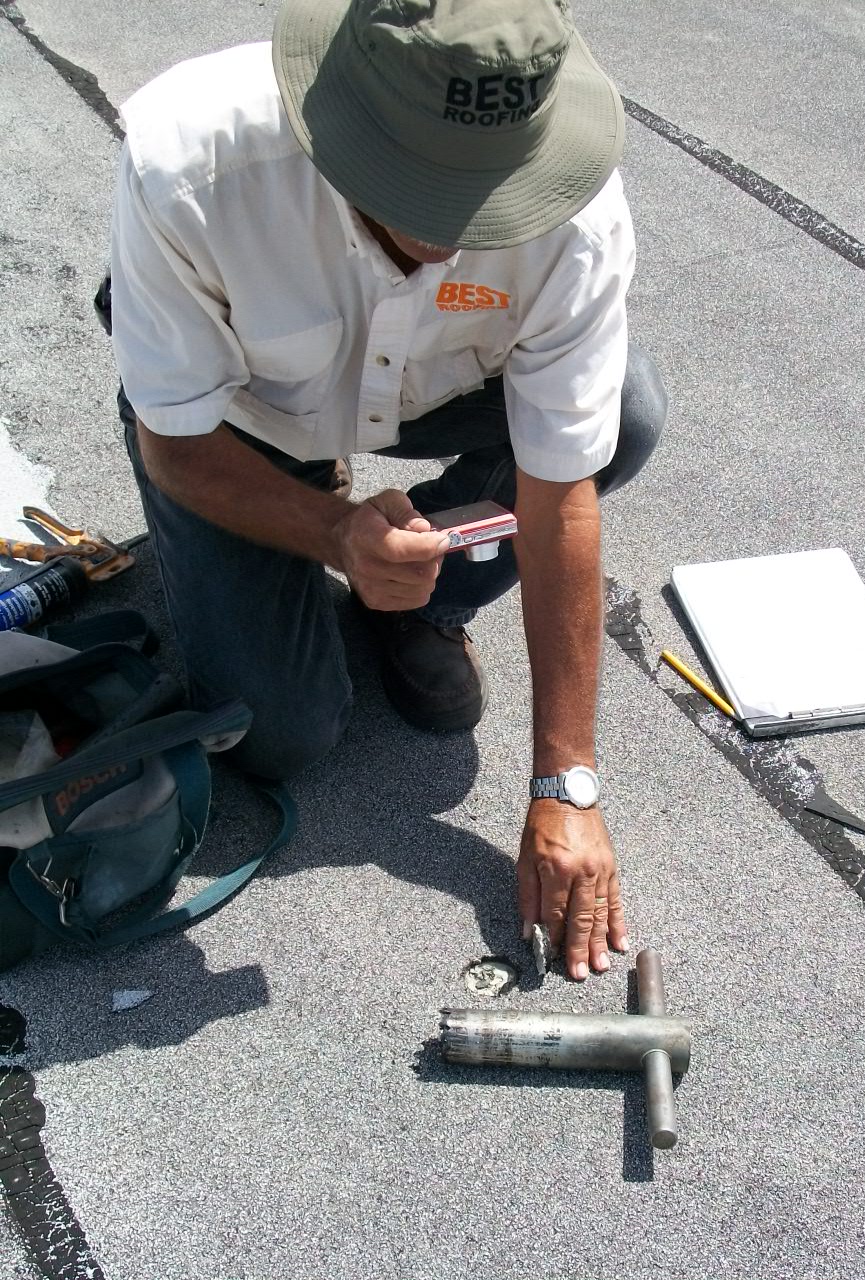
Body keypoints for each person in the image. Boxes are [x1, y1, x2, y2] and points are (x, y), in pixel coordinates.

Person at [106, 0, 668, 981]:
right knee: (280, 734)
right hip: (239, 420)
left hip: (426, 392)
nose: (455, 239)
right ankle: (310, 519)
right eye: (427, 194)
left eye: (488, 198)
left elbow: (559, 493)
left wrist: (567, 783)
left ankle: (422, 598)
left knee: (625, 411)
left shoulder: (577, 218)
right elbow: (179, 444)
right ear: (344, 131)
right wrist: (331, 529)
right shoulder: (188, 164)